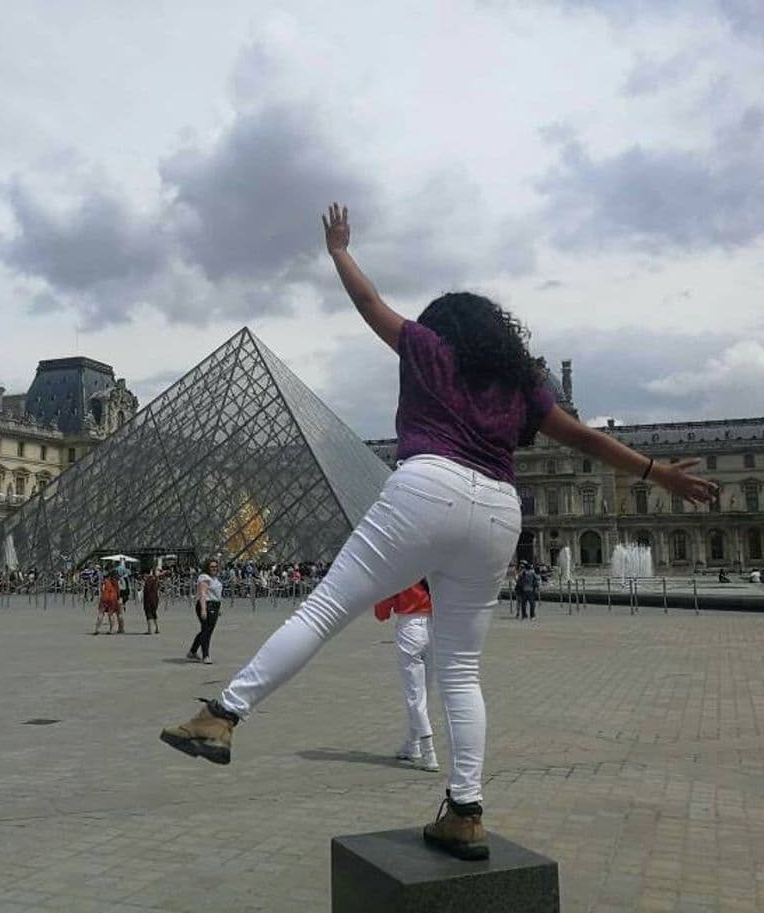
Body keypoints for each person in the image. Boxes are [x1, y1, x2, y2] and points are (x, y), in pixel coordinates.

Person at [160, 203, 717, 861]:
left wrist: (339, 250)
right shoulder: (523, 380)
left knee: (324, 609)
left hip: (428, 486)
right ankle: (466, 808)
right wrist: (657, 473)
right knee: (460, 667)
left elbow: (369, 302)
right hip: (498, 512)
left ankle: (223, 715)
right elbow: (585, 437)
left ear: (443, 325)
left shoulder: (428, 348)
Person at [375, 581, 439, 772]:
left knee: (415, 696)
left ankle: (429, 752)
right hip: (433, 626)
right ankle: (413, 744)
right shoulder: (432, 569)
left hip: (410, 626)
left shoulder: (402, 570)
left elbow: (381, 612)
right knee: (424, 693)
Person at [186, 559, 223, 664]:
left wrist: (219, 608)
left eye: (216, 566)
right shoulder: (204, 578)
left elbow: (217, 595)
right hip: (207, 604)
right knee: (207, 631)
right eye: (212, 567)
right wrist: (203, 609)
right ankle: (205, 655)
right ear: (207, 567)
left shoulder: (215, 578)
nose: (214, 568)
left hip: (214, 605)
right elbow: (203, 594)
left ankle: (193, 651)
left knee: (206, 630)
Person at [93, 570, 122, 634]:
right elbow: (118, 591)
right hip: (113, 598)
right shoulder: (117, 582)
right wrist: (118, 598)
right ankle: (111, 630)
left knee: (101, 613)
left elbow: (102, 589)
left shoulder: (105, 581)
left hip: (105, 597)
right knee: (111, 614)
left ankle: (97, 629)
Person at [143, 570, 161, 635]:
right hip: (155, 598)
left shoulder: (148, 580)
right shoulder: (156, 580)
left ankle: (150, 630)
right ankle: (157, 628)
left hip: (149, 599)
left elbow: (147, 590)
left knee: (149, 614)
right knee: (154, 613)